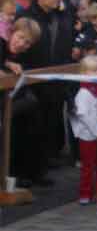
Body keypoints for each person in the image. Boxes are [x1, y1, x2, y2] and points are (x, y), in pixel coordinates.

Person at [18, 0, 76, 165]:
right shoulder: (27, 17)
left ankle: (43, 163)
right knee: (31, 125)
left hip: (56, 79)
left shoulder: (60, 17)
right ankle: (28, 168)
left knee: (50, 123)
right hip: (32, 80)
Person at [3, 19, 45, 187]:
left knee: (28, 129)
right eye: (20, 37)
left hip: (16, 104)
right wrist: (6, 63)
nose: (21, 44)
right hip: (8, 104)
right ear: (11, 32)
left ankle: (23, 173)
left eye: (27, 43)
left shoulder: (26, 55)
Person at [69, 55, 97, 206]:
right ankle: (85, 193)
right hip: (88, 136)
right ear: (84, 73)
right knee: (88, 166)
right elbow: (83, 116)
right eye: (93, 70)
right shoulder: (83, 94)